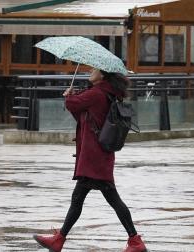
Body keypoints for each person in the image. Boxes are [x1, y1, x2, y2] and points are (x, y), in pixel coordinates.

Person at [33, 68, 148, 252]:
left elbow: (74, 104)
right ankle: (60, 240)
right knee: (83, 198)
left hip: (94, 158)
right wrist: (72, 100)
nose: (90, 71)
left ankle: (135, 241)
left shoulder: (96, 93)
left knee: (103, 198)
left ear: (102, 74)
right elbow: (83, 116)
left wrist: (69, 96)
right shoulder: (107, 93)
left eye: (93, 69)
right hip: (98, 157)